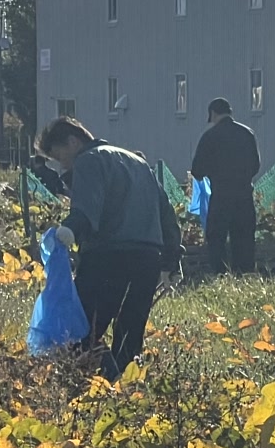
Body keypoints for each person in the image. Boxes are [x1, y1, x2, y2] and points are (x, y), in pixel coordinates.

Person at [36, 116, 180, 377]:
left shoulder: (89, 160)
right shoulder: (139, 163)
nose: (63, 166)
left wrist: (69, 229)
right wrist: (171, 261)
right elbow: (167, 215)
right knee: (129, 335)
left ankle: (88, 389)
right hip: (147, 260)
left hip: (109, 258)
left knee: (82, 332)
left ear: (73, 140)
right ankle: (125, 392)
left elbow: (87, 208)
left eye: (61, 157)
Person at [190, 98, 261, 276]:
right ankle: (244, 276)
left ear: (213, 114)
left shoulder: (210, 137)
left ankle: (221, 275)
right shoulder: (247, 134)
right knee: (244, 239)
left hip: (221, 198)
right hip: (244, 197)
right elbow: (256, 165)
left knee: (217, 239)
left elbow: (197, 170)